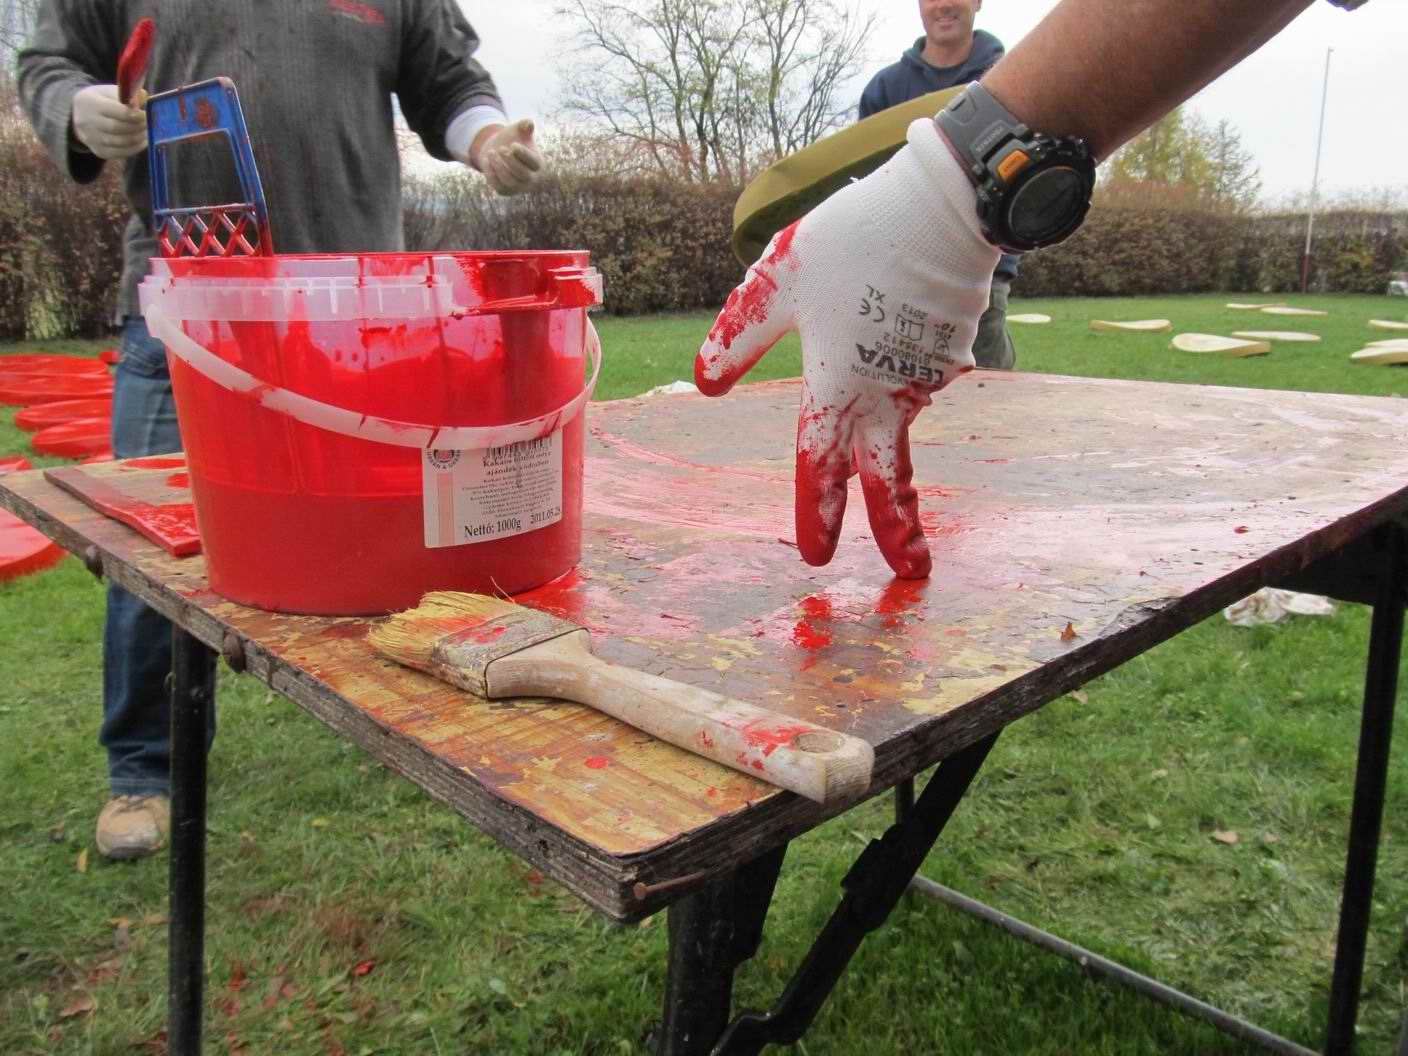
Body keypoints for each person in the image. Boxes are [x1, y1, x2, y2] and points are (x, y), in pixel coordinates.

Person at [17, 0, 544, 860]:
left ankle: (398, 724)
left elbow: (447, 78)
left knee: (382, 529)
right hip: (188, 300)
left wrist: (486, 139)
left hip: (352, 310)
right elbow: (50, 61)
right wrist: (78, 108)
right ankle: (145, 769)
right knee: (156, 545)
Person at [697, 0, 1366, 582]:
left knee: (988, 437)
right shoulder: (888, 86)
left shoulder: (1000, 59)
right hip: (911, 283)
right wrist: (936, 198)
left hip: (974, 282)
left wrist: (947, 194)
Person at [859, 0, 1018, 370]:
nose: (944, 4)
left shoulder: (1013, 78)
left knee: (989, 391)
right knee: (893, 392)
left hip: (982, 275)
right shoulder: (884, 91)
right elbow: (866, 191)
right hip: (900, 277)